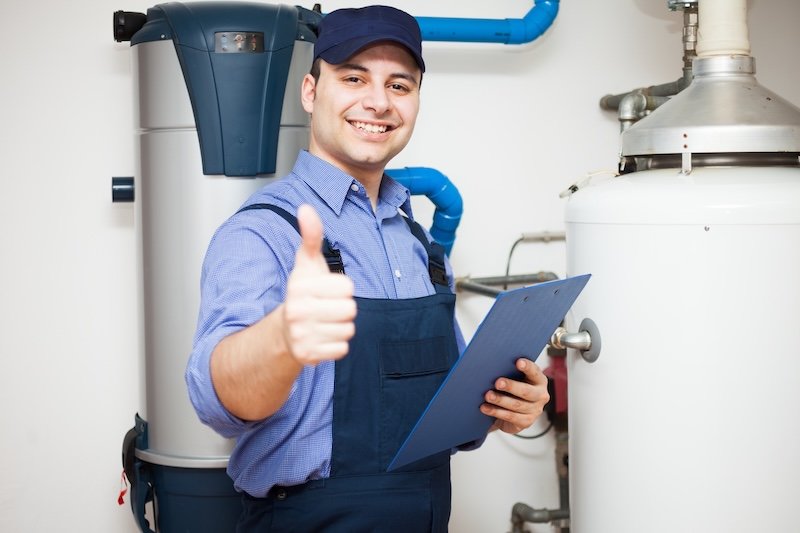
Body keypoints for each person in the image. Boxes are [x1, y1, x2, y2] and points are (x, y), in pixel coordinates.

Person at [186, 5, 550, 532]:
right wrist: (282, 339)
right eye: (354, 78)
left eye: (399, 85)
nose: (378, 102)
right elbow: (216, 401)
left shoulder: (420, 245)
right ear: (311, 92)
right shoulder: (264, 232)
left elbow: (443, 409)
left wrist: (504, 406)